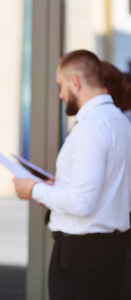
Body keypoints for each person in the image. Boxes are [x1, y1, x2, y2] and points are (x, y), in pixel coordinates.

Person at [13, 49, 131, 300]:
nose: (61, 94)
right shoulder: (121, 122)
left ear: (75, 82)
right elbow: (108, 184)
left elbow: (81, 202)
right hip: (111, 252)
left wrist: (33, 189)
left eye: (61, 85)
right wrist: (60, 184)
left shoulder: (90, 128)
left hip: (82, 259)